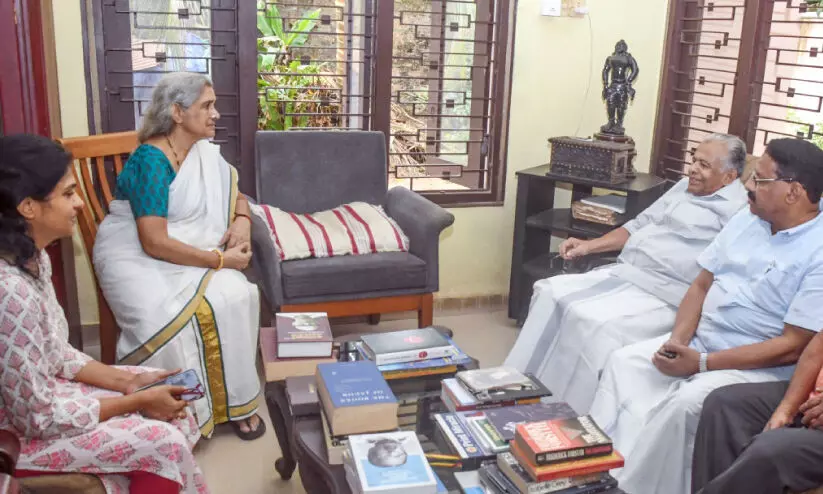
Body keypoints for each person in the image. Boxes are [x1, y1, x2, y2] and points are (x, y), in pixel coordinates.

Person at [588, 137, 823, 494]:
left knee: (684, 405)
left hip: (754, 367)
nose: (747, 186)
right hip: (700, 342)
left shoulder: (817, 251)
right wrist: (677, 341)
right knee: (625, 364)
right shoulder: (748, 218)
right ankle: (590, 472)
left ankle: (635, 487)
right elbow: (701, 284)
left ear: (794, 192)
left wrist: (701, 364)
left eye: (759, 179)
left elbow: (793, 345)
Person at [0, 134, 209, 493]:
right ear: (28, 207)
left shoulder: (33, 258)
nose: (79, 203)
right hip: (16, 435)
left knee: (170, 398)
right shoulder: (10, 292)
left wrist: (128, 384)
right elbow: (38, 418)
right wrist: (135, 401)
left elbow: (57, 353)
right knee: (163, 442)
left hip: (44, 399)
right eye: (68, 194)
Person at [504, 134, 748, 413]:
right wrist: (587, 246)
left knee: (597, 324)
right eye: (694, 160)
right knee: (549, 292)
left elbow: (725, 274)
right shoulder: (683, 187)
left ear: (729, 177)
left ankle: (566, 413)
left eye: (703, 165)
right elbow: (637, 225)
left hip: (665, 291)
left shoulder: (739, 212)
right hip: (629, 272)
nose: (692, 169)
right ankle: (515, 389)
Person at [93, 72, 264, 441]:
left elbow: (234, 192)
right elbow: (154, 242)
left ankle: (234, 402)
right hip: (134, 254)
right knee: (173, 317)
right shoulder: (151, 160)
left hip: (186, 250)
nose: (216, 114)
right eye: (207, 106)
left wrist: (242, 220)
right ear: (177, 112)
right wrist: (220, 260)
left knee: (238, 294)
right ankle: (182, 410)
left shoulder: (201, 152)